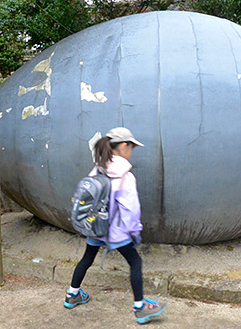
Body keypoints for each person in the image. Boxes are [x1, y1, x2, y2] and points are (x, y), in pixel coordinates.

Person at [64, 127, 167, 324]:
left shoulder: (97, 169)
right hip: (117, 232)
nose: (131, 152)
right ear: (123, 146)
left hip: (95, 227)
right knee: (135, 262)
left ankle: (72, 294)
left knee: (86, 258)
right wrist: (134, 233)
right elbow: (130, 211)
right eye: (131, 147)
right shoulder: (125, 176)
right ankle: (140, 307)